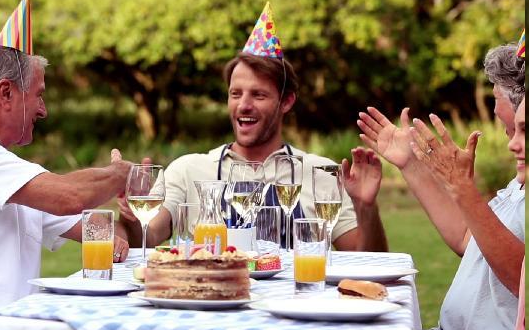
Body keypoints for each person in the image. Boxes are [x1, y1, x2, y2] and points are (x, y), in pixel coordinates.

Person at [356, 42, 526, 330]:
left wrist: (464, 190)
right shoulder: (518, 182)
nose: (493, 110)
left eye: (495, 98)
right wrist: (409, 164)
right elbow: (468, 238)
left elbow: (522, 277)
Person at [132, 50, 387, 253]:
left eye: (258, 95)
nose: (244, 105)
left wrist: (367, 207)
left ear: (286, 101)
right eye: (235, 94)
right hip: (211, 308)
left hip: (297, 312)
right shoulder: (187, 170)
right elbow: (149, 236)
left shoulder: (321, 173)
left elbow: (366, 261)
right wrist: (133, 218)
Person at [0, 40, 136, 306]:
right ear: (5, 93)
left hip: (12, 329)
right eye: (38, 94)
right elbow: (69, 196)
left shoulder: (11, 172)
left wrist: (128, 212)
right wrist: (120, 175)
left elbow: (110, 234)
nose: (43, 109)